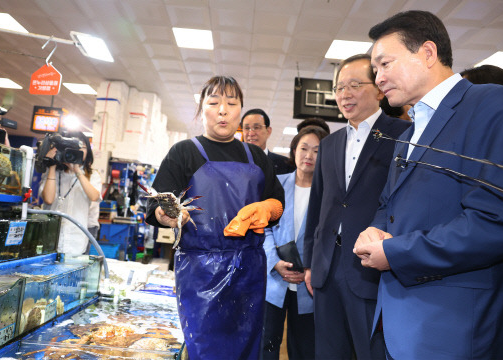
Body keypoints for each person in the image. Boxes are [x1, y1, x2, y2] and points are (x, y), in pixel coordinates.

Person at [354, 10, 503, 359]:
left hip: (453, 327)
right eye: (374, 69)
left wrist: (394, 253)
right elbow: (388, 206)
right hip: (398, 322)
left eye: (384, 64)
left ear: (427, 53)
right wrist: (374, 232)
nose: (378, 78)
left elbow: (495, 221)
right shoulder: (409, 132)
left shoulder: (492, 105)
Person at [145, 76, 285, 360]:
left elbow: (277, 202)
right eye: (213, 102)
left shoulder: (256, 156)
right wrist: (170, 216)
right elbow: (156, 208)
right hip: (199, 273)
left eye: (231, 103)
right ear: (202, 109)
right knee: (205, 349)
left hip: (249, 271)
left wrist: (265, 209)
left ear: (240, 110)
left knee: (247, 347)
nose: (223, 110)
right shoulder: (183, 153)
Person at [303, 54, 410, 359]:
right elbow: (318, 205)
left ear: (378, 88)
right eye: (339, 88)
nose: (344, 94)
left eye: (354, 85)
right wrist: (311, 261)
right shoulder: (330, 143)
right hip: (326, 266)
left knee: (370, 351)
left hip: (370, 266)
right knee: (328, 351)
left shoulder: (403, 135)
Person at [263, 125, 328, 360]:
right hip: (275, 278)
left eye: (317, 151)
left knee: (304, 349)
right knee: (266, 345)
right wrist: (274, 262)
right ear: (294, 151)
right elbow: (263, 228)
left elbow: (331, 237)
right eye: (304, 148)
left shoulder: (329, 193)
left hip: (308, 285)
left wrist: (312, 269)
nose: (309, 156)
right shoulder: (276, 184)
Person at [39, 131, 102, 255]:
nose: (77, 150)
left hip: (77, 240)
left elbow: (94, 196)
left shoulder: (92, 176)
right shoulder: (53, 173)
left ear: (88, 151)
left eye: (82, 146)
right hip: (51, 237)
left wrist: (77, 170)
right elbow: (48, 199)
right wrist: (52, 165)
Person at [242, 108, 296, 174]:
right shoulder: (232, 163)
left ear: (268, 131)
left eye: (256, 127)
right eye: (247, 128)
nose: (251, 133)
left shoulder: (286, 165)